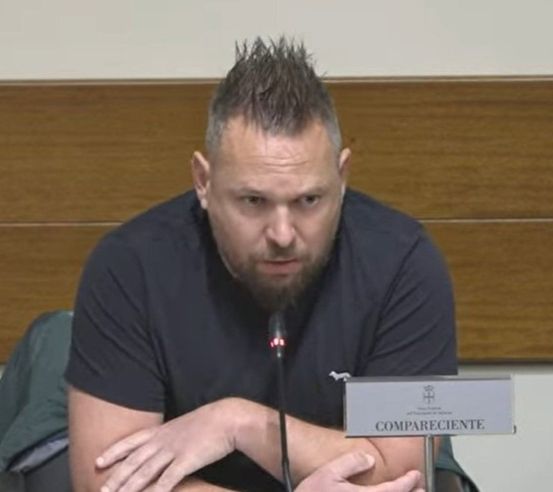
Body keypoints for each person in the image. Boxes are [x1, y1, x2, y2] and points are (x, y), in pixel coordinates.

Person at [66, 37, 456, 492]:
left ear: (342, 177)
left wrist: (239, 423)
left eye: (309, 200)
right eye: (253, 201)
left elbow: (400, 468)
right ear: (203, 182)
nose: (283, 234)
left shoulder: (402, 263)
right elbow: (109, 483)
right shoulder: (131, 267)